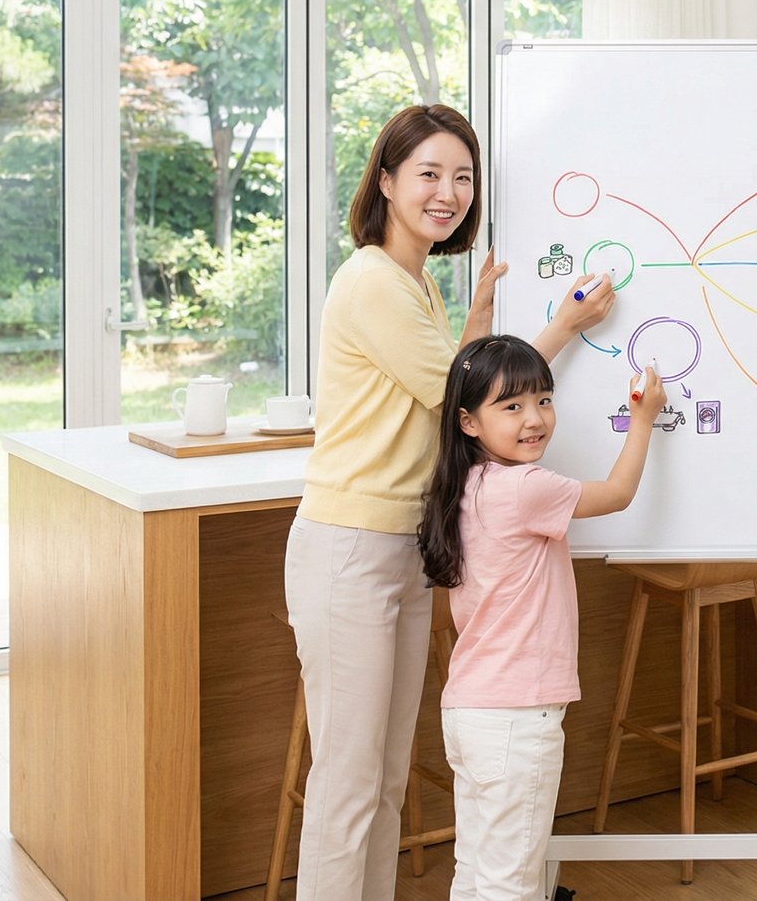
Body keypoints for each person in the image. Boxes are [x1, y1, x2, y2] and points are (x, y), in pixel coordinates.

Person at [284, 103, 613, 901]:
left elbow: (454, 378)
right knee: (351, 778)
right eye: (429, 173)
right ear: (387, 181)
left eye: (462, 176)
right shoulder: (372, 280)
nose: (448, 191)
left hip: (396, 547)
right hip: (350, 545)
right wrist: (563, 325)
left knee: (384, 772)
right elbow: (465, 398)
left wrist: (472, 325)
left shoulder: (415, 281)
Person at [419, 334, 667, 901]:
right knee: (513, 884)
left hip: (470, 710)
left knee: (476, 870)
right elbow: (620, 494)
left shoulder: (465, 483)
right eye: (512, 407)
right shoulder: (526, 487)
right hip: (516, 717)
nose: (534, 419)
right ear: (468, 422)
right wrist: (643, 419)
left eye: (544, 400)